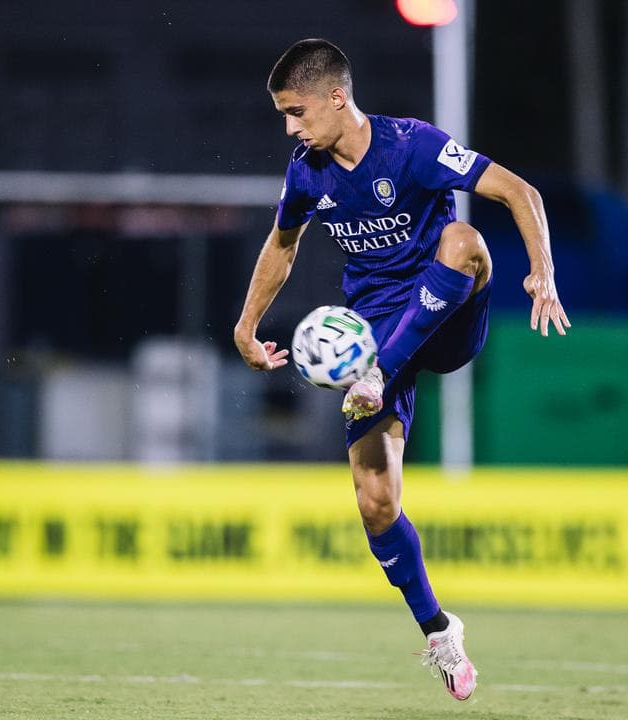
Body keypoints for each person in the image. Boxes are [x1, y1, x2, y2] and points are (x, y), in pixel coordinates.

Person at [233, 38, 569, 700]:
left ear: (337, 97)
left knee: (464, 239)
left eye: (296, 112)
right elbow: (282, 244)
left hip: (444, 318)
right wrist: (246, 326)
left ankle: (380, 372)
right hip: (374, 336)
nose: (291, 128)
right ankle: (440, 631)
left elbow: (518, 191)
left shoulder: (412, 146)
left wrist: (543, 271)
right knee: (375, 503)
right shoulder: (306, 174)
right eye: (284, 116)